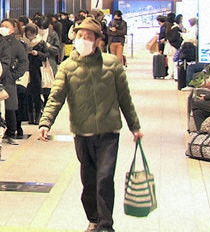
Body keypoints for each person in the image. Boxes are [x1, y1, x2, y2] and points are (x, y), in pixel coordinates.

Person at [38, 17, 142, 232]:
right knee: (89, 181)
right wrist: (45, 122)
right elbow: (56, 97)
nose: (83, 40)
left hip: (109, 131)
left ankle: (106, 224)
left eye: (88, 36)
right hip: (82, 132)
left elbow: (125, 98)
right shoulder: (67, 67)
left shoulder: (112, 64)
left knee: (105, 178)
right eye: (80, 36)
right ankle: (93, 217)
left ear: (97, 40)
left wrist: (135, 126)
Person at [0, 18, 29, 144]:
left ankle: (11, 132)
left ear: (12, 29)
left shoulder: (16, 44)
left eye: (6, 26)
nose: (3, 28)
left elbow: (23, 61)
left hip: (8, 79)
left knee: (9, 106)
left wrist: (14, 75)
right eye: (2, 25)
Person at [23, 24, 49, 126]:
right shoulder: (23, 43)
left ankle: (38, 116)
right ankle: (30, 117)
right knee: (27, 94)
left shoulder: (41, 42)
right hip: (26, 71)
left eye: (31, 34)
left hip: (37, 70)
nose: (29, 36)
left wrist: (37, 53)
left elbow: (46, 55)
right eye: (28, 34)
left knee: (37, 94)